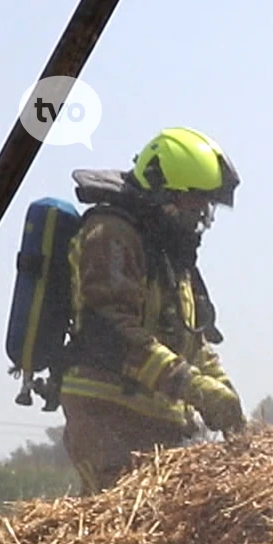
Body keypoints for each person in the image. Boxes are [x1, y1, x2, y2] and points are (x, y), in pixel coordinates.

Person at [61, 127, 245, 494]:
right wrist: (193, 386)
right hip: (107, 418)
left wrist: (222, 392)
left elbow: (193, 338)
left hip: (158, 424)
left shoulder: (170, 254)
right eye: (195, 206)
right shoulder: (110, 234)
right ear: (165, 193)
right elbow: (112, 333)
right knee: (120, 531)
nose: (201, 219)